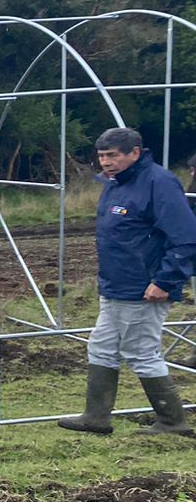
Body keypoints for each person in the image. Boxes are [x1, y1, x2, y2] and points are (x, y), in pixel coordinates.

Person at [59, 127, 196, 437]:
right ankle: (96, 416)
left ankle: (172, 421)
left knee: (141, 351)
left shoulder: (158, 184)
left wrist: (164, 280)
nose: (106, 162)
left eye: (113, 156)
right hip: (115, 284)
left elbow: (187, 238)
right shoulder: (115, 184)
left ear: (135, 152)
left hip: (144, 288)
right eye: (102, 156)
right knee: (102, 346)